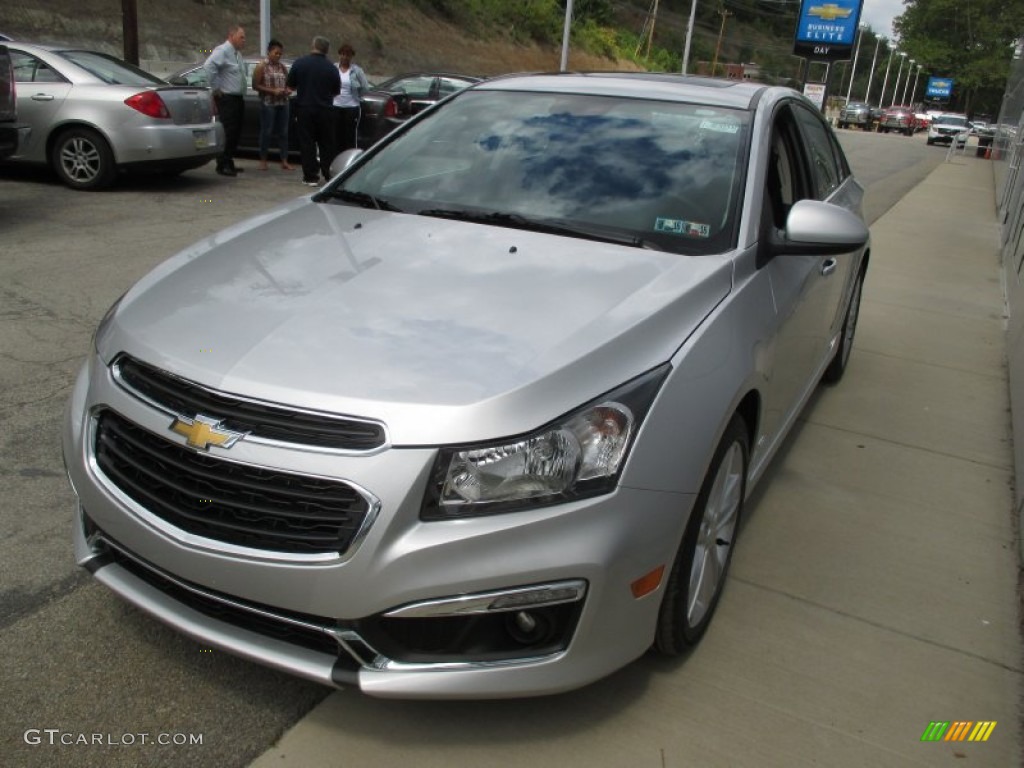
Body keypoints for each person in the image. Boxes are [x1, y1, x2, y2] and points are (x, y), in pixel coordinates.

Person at [286, 36, 341, 186]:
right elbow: (336, 91)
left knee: (307, 143)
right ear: (327, 50)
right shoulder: (331, 68)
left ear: (313, 46)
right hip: (326, 110)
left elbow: (290, 86)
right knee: (326, 144)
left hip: (305, 108)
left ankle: (310, 176)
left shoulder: (300, 63)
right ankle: (329, 174)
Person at [204, 24, 247, 177]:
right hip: (227, 98)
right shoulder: (223, 50)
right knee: (228, 131)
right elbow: (209, 66)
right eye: (241, 37)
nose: (244, 40)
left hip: (237, 98)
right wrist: (216, 88)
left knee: (235, 132)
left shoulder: (236, 54)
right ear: (231, 36)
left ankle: (229, 161)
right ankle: (222, 164)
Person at [251, 39, 294, 171]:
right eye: (276, 53)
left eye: (280, 54)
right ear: (269, 52)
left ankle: (284, 160)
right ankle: (263, 160)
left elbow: (288, 83)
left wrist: (287, 90)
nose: (278, 56)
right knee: (267, 131)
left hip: (283, 102)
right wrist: (272, 91)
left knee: (283, 132)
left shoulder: (282, 67)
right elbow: (255, 85)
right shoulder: (261, 66)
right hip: (268, 103)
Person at [332, 43, 370, 154]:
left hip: (351, 107)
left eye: (347, 55)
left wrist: (358, 96)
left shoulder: (357, 71)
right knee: (336, 135)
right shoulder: (334, 68)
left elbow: (365, 87)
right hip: (335, 106)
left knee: (349, 136)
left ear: (351, 56)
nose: (344, 57)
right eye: (343, 54)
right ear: (339, 55)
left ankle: (349, 160)